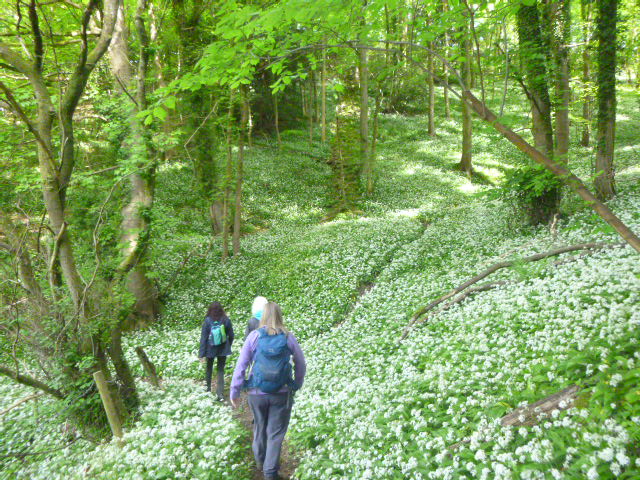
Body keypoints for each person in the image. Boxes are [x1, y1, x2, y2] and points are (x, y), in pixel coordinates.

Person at [230, 302, 306, 480]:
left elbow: (241, 366)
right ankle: (270, 472)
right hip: (281, 393)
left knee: (259, 426)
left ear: (262, 316)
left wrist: (235, 391)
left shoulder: (254, 336)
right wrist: (296, 383)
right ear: (280, 315)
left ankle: (260, 461)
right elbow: (301, 363)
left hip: (256, 393)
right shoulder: (288, 337)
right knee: (275, 433)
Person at [199, 301, 234, 401]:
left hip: (210, 349)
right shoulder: (226, 320)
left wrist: (201, 354)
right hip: (222, 349)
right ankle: (220, 394)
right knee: (220, 370)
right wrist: (228, 345)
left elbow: (204, 338)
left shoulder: (207, 321)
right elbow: (231, 335)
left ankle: (207, 390)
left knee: (209, 369)